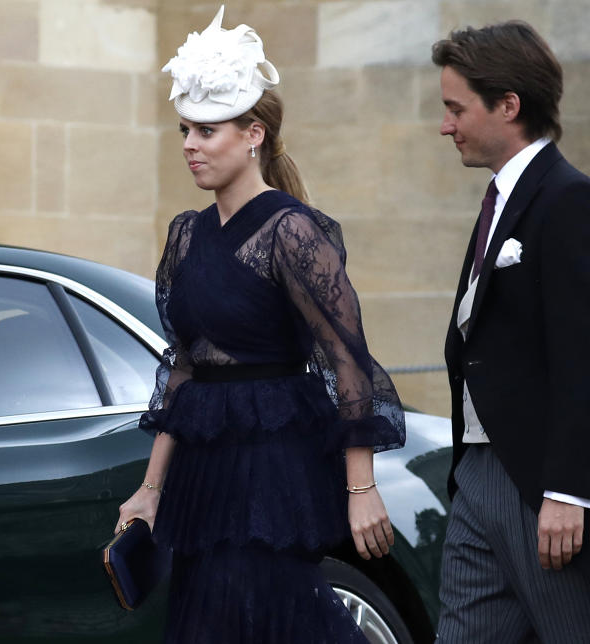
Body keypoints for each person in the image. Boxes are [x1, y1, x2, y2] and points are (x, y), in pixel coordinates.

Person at [115, 7, 405, 643]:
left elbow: (347, 359)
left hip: (274, 460)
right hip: (203, 466)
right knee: (204, 622)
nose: (190, 143)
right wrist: (149, 488)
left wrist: (362, 488)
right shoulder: (186, 235)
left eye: (207, 130)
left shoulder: (292, 231)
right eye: (185, 128)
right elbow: (183, 368)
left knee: (274, 616)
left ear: (253, 136)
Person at [433, 21, 590, 642]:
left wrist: (569, 492)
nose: (446, 125)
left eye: (455, 108)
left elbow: (582, 356)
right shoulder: (499, 199)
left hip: (537, 485)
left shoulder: (568, 200)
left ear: (508, 105)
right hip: (476, 474)